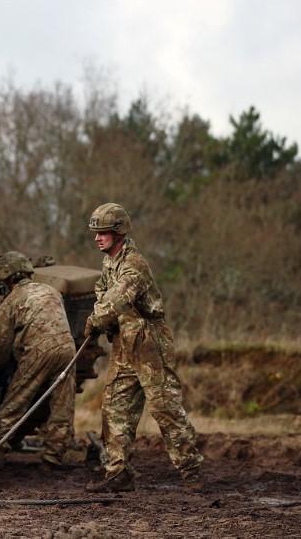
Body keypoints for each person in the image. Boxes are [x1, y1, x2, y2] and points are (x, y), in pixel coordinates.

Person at [83, 203, 204, 493]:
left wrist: (95, 319)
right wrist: (105, 322)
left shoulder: (134, 264)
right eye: (96, 233)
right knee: (115, 408)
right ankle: (118, 473)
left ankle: (191, 472)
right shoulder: (109, 262)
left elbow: (118, 298)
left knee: (165, 407)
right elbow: (103, 291)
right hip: (124, 341)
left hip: (149, 341)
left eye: (104, 233)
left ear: (119, 232)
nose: (98, 238)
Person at [0, 251, 78, 470]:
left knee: (16, 399)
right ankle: (53, 457)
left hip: (38, 351)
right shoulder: (51, 290)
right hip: (67, 348)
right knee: (62, 404)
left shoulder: (10, 302)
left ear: (6, 278)